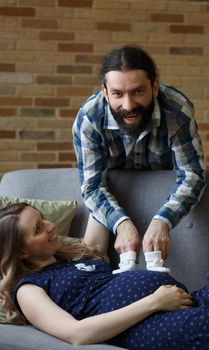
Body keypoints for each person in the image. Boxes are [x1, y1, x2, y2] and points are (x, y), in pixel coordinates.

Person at [0, 202, 209, 350]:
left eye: (43, 219)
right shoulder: (29, 289)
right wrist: (154, 302)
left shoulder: (78, 256)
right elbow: (77, 334)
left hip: (184, 301)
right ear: (22, 252)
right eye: (38, 229)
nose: (51, 226)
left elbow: (98, 202)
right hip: (147, 324)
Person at [72, 45, 206, 264]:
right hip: (111, 187)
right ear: (105, 92)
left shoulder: (177, 111)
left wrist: (163, 221)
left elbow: (192, 175)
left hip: (165, 189)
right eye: (117, 93)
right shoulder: (89, 119)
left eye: (138, 91)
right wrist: (120, 223)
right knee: (90, 256)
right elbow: (93, 186)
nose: (128, 105)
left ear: (154, 87)